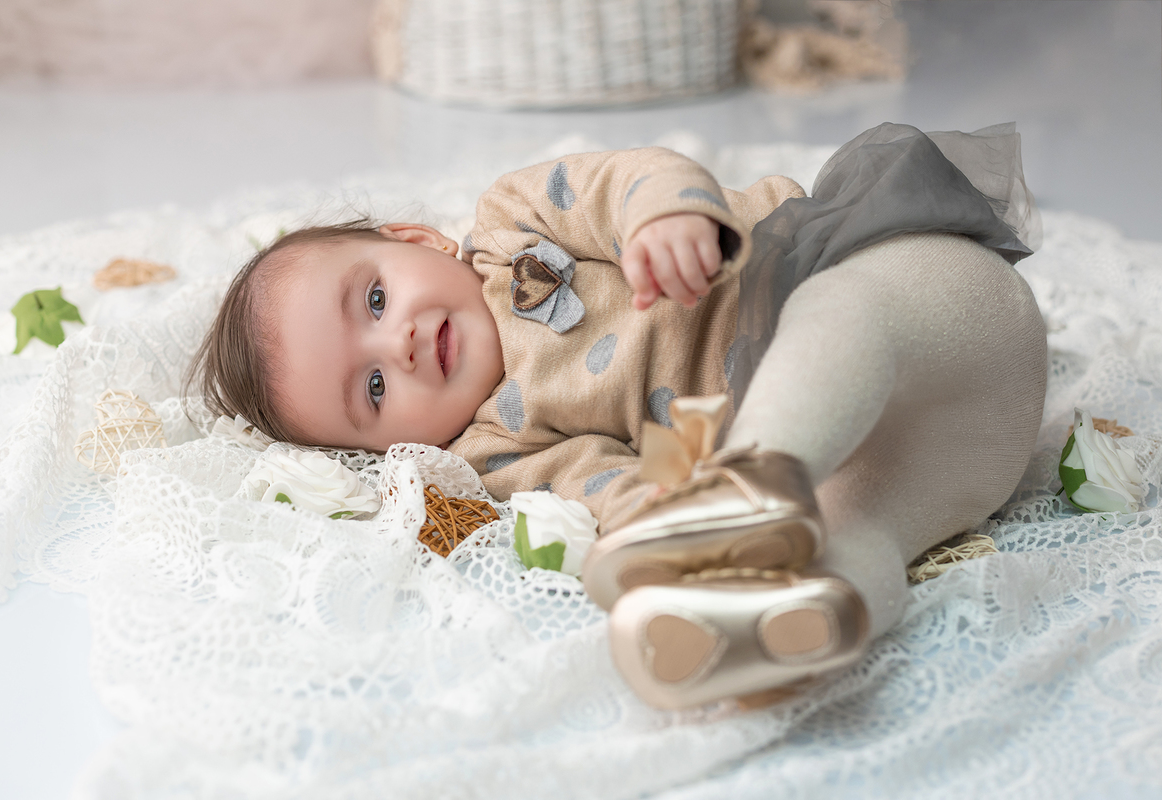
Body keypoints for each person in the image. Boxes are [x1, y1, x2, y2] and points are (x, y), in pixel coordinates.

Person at [187, 123, 1047, 709]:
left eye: (374, 298)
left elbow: (628, 177)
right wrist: (662, 533)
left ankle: (753, 486)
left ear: (415, 241)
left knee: (835, 324)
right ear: (392, 444)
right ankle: (767, 631)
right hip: (954, 458)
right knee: (852, 531)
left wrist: (664, 214)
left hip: (923, 304)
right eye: (372, 391)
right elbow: (618, 489)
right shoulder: (496, 451)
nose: (399, 345)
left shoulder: (512, 217)